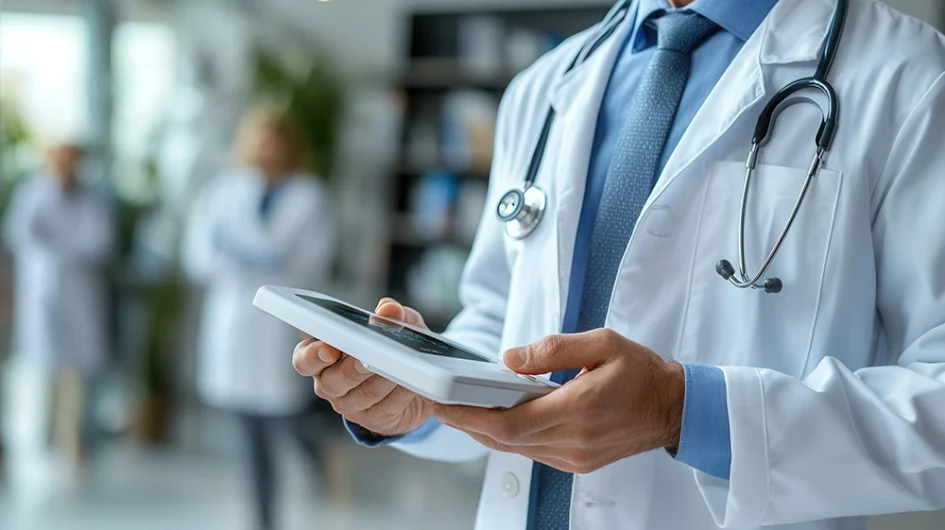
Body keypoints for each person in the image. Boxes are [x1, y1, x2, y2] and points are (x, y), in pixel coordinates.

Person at [293, 0, 945, 529]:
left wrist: (684, 411)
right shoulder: (545, 85)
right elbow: (500, 323)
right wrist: (421, 393)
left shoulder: (905, 78)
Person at [184, 108, 335, 530]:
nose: (268, 147)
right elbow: (198, 256)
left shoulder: (310, 195)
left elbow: (315, 259)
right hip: (235, 318)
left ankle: (315, 465)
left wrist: (268, 264)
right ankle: (264, 517)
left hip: (278, 323)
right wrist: (238, 261)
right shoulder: (223, 191)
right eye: (261, 137)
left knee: (288, 416)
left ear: (290, 144)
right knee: (248, 425)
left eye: (276, 138)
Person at [3, 143, 114, 469]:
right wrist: (65, 246)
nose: (67, 166)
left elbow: (100, 242)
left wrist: (58, 244)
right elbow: (18, 234)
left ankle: (73, 440)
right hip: (43, 291)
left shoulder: (91, 198)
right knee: (43, 368)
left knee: (76, 373)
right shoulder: (33, 193)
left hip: (80, 291)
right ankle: (44, 436)